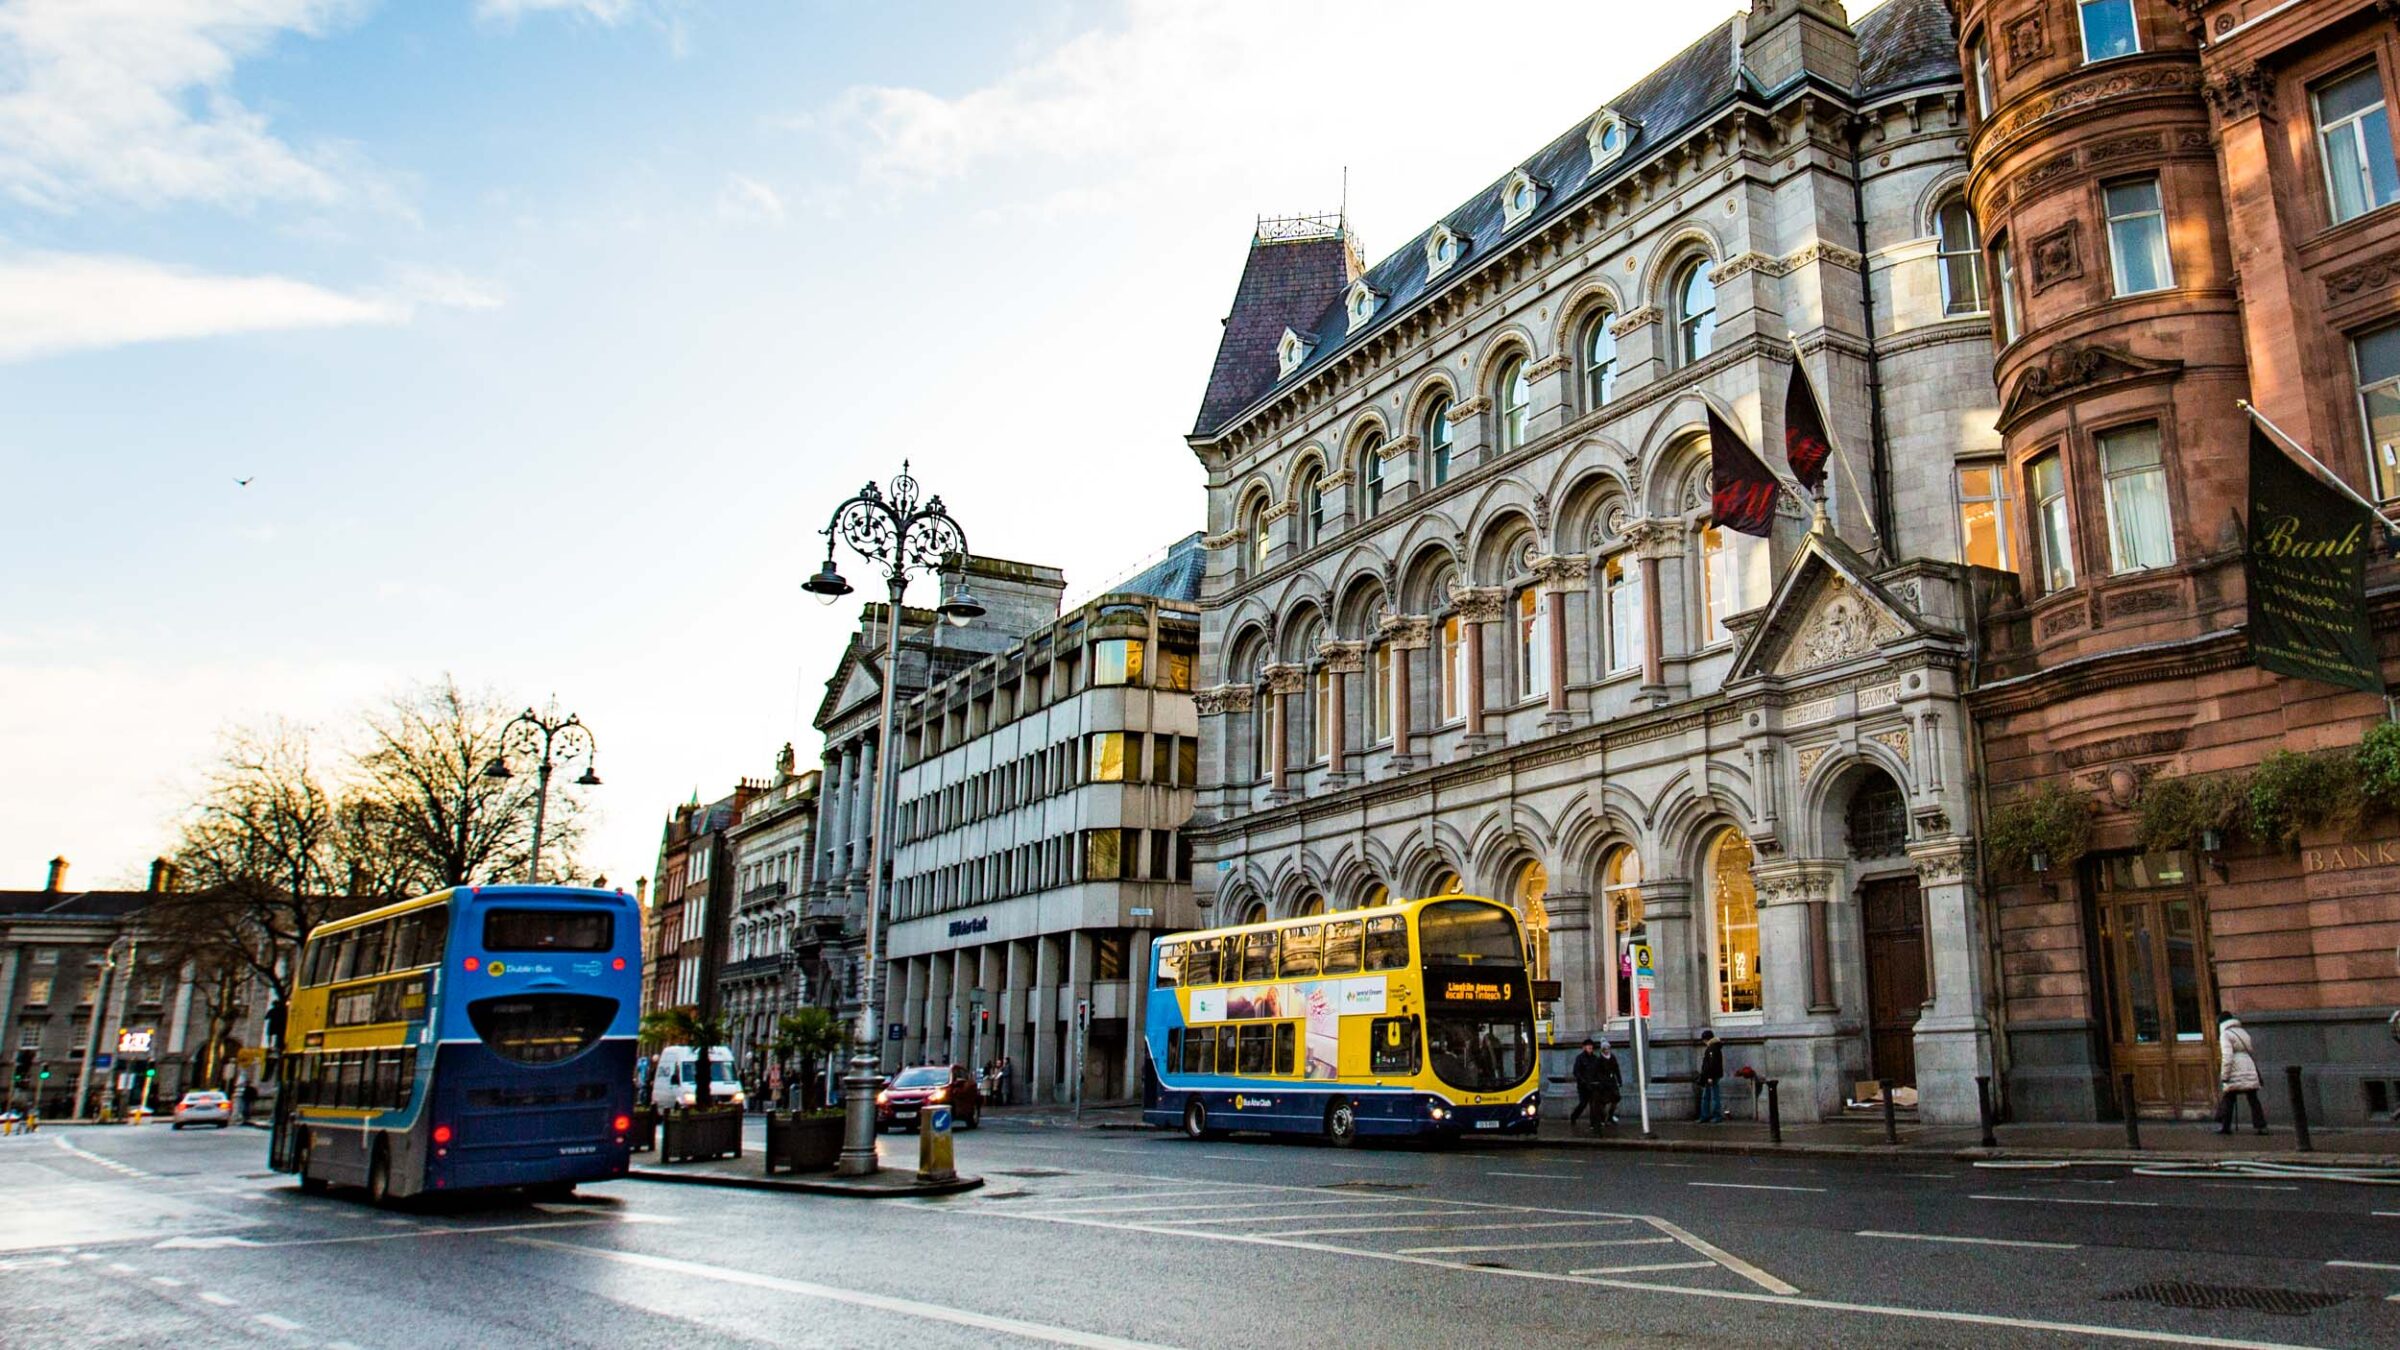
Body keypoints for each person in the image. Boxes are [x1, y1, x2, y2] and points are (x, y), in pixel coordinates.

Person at [2216, 1011, 2267, 1135]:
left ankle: (2225, 1126)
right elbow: (2250, 1050)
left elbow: (2227, 1056)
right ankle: (2260, 1126)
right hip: (2248, 1065)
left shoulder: (2226, 1035)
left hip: (2235, 1068)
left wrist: (2224, 1075)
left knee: (2229, 1097)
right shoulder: (2243, 1032)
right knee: (2253, 1098)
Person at [1569, 1039, 1604, 1130]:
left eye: (1591, 1046)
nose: (1590, 1048)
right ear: (1584, 1047)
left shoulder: (1595, 1058)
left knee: (1594, 1104)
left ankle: (1594, 1123)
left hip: (1593, 1085)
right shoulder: (1580, 1058)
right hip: (1583, 1086)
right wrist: (1582, 1081)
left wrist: (1599, 1081)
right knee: (1583, 1103)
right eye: (1588, 1046)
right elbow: (1576, 1072)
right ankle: (1574, 1116)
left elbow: (1599, 1071)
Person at [1696, 1029, 1725, 1123]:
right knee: (1708, 1096)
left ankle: (1713, 1115)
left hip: (1711, 1076)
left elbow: (1712, 1064)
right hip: (1710, 1076)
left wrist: (1710, 1077)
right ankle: (1706, 1115)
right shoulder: (1714, 1047)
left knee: (1712, 1096)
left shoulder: (1712, 1048)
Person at [1594, 1040, 1624, 1126]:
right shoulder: (1599, 1060)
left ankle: (1610, 1116)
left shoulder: (1612, 1057)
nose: (1607, 1051)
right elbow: (1598, 1072)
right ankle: (1603, 1118)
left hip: (1612, 1082)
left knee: (1615, 1099)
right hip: (1604, 1084)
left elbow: (1616, 1069)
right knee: (1604, 1101)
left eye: (1608, 1049)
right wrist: (1602, 1081)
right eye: (1605, 1049)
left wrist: (1619, 1080)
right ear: (1602, 1050)